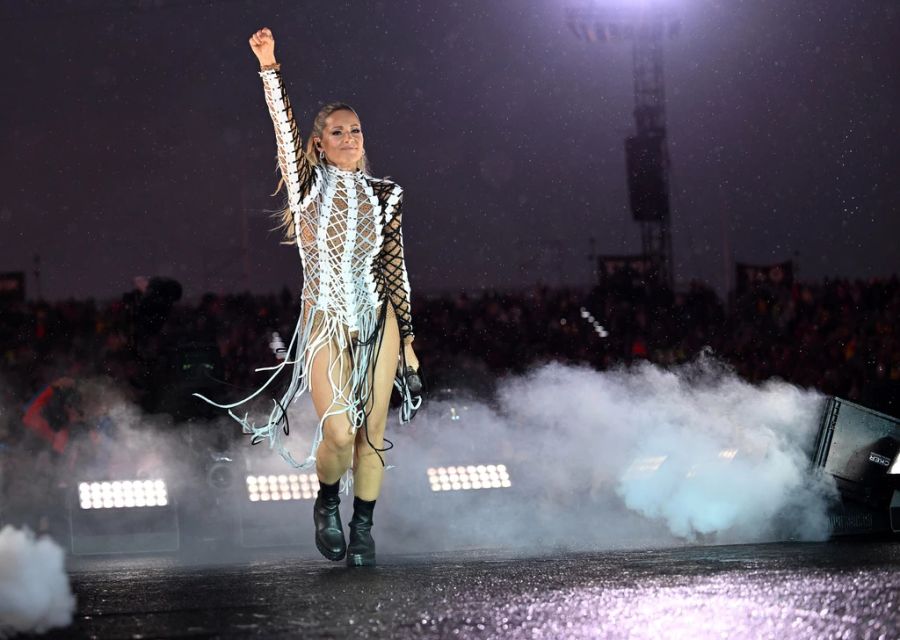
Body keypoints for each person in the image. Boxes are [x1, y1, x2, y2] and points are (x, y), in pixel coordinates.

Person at [194, 27, 422, 567]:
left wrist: (408, 342)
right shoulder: (308, 188)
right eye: (337, 131)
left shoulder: (387, 194)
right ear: (319, 142)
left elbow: (396, 268)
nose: (349, 138)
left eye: (356, 130)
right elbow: (283, 126)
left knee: (373, 436)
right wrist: (269, 67)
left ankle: (363, 529)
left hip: (378, 320)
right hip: (323, 318)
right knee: (339, 433)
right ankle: (326, 503)